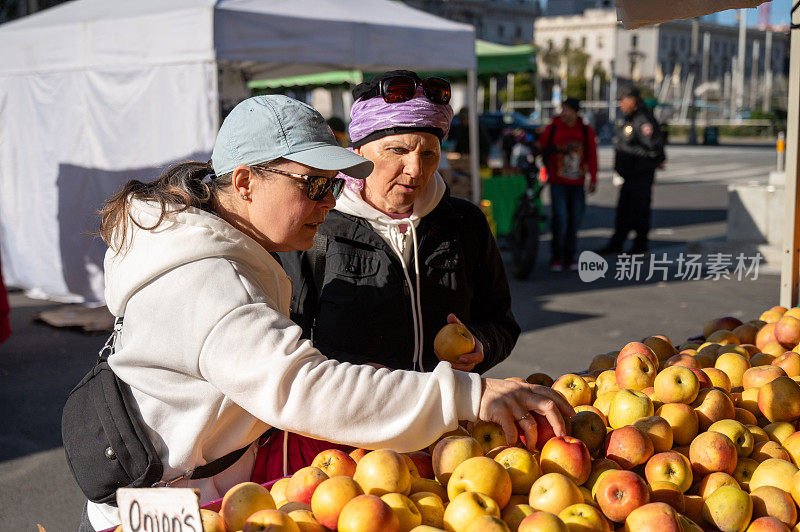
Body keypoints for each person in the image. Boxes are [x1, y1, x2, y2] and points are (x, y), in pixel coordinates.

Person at [80, 94, 571, 531]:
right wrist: (470, 392)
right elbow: (304, 386)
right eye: (312, 186)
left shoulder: (218, 251)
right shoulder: (206, 280)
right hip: (167, 510)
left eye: (332, 187)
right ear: (246, 181)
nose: (328, 203)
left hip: (207, 491)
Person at [280, 71, 520, 375]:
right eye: (398, 150)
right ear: (358, 153)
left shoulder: (464, 223)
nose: (416, 169)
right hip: (356, 414)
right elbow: (288, 343)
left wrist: (482, 345)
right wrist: (348, 374)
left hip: (447, 415)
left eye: (429, 153)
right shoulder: (317, 225)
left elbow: (501, 322)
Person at [598, 86, 665, 255]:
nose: (621, 104)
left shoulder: (642, 119)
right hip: (629, 174)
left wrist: (630, 155)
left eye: (622, 100)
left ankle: (640, 245)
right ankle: (617, 243)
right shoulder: (631, 118)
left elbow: (653, 148)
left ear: (632, 100)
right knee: (624, 211)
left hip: (640, 174)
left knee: (640, 211)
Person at [539, 97, 598, 272]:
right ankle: (556, 256)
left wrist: (593, 177)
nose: (564, 113)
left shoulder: (586, 131)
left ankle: (570, 255)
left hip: (577, 183)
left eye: (567, 109)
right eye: (562, 109)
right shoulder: (553, 127)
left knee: (575, 220)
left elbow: (592, 156)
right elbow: (542, 148)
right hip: (558, 181)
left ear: (575, 111)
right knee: (561, 217)